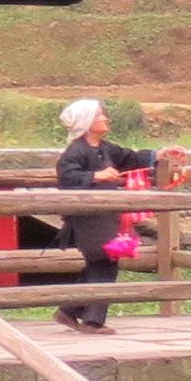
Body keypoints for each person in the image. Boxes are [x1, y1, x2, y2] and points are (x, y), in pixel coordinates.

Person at [51, 98, 155, 331]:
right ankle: (92, 321)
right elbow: (68, 179)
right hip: (87, 218)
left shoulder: (106, 148)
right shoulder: (74, 152)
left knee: (99, 264)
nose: (106, 118)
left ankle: (69, 310)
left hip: (105, 217)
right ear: (87, 122)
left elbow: (131, 159)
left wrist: (160, 156)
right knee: (104, 261)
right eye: (100, 115)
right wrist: (97, 176)